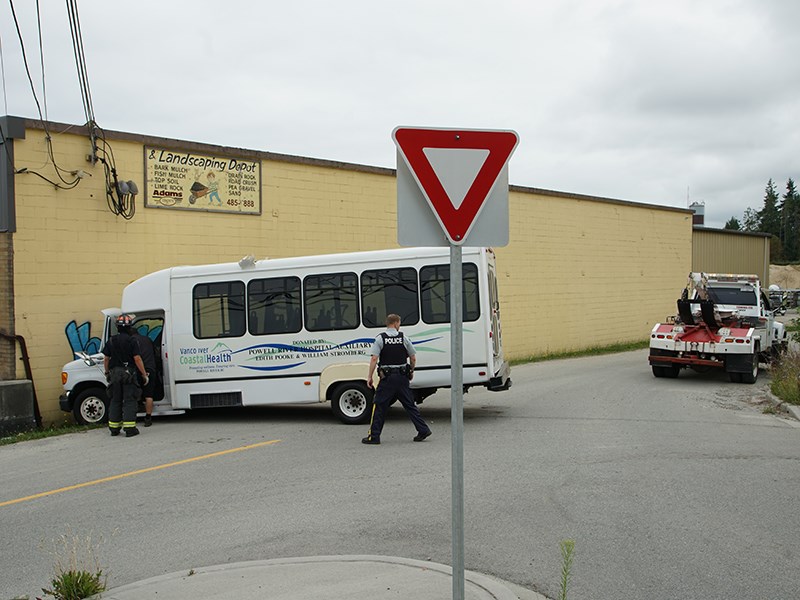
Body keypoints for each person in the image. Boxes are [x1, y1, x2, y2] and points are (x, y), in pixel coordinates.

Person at [362, 314, 431, 445]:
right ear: (396, 323)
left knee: (379, 406)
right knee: (410, 405)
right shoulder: (403, 337)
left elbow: (374, 359)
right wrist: (411, 371)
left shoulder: (380, 339)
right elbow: (413, 357)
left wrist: (369, 377)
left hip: (387, 379)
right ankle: (423, 430)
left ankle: (374, 436)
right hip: (402, 377)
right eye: (399, 323)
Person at [103, 314, 148, 437]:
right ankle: (129, 429)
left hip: (115, 374)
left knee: (115, 400)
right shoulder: (132, 340)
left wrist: (107, 373)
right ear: (129, 327)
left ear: (117, 327)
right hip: (129, 374)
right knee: (129, 400)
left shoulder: (111, 340)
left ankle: (114, 428)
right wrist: (144, 374)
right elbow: (137, 359)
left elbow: (106, 359)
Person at [132, 329, 158, 427]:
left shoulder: (131, 341)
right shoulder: (147, 339)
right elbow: (155, 352)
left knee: (135, 392)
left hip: (137, 370)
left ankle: (136, 410)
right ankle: (148, 418)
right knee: (149, 395)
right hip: (150, 368)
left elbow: (134, 357)